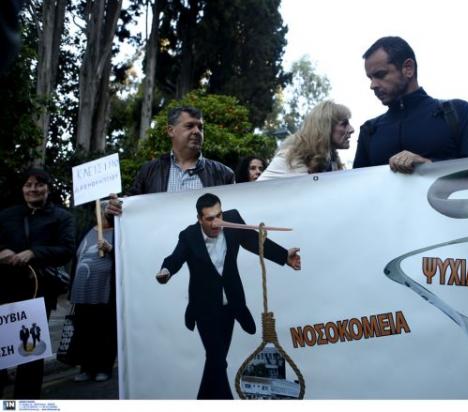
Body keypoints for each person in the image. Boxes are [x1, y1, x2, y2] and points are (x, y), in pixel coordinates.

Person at [156, 193, 301, 399]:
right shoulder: (189, 236)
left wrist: (284, 256)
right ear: (199, 219)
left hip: (230, 306)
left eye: (219, 215)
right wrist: (166, 271)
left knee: (216, 359)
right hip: (204, 309)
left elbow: (254, 242)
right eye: (209, 218)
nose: (216, 222)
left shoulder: (232, 221)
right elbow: (175, 258)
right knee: (217, 359)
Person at [353, 36, 468, 173]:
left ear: (408, 68)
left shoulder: (458, 112)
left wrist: (429, 167)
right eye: (370, 78)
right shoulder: (370, 131)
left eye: (380, 75)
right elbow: (358, 185)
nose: (373, 85)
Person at [0, 168, 75, 399]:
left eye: (39, 184)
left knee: (29, 351)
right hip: (4, 290)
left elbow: (67, 249)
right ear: (22, 189)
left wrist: (34, 253)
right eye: (28, 184)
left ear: (47, 189)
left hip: (38, 292)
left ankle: (25, 402)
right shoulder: (6, 215)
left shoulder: (62, 217)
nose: (33, 189)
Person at [106, 106, 234, 215]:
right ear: (171, 131)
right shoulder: (149, 171)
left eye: (200, 127)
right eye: (189, 126)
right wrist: (115, 208)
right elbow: (129, 211)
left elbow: (232, 215)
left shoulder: (223, 174)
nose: (196, 131)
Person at [69, 203, 117, 383]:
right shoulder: (86, 231)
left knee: (104, 331)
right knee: (84, 331)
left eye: (106, 209)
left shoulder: (119, 233)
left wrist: (111, 249)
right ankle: (86, 368)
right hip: (82, 292)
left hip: (104, 291)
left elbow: (128, 258)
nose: (104, 212)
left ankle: (104, 367)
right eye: (101, 208)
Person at [258, 100, 355, 180]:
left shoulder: (331, 160)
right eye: (344, 124)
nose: (351, 130)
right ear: (326, 128)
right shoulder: (290, 158)